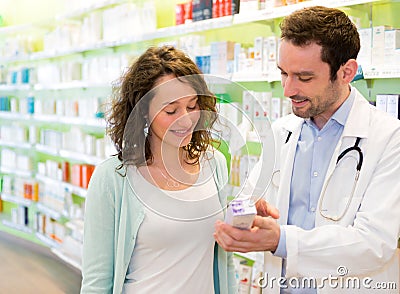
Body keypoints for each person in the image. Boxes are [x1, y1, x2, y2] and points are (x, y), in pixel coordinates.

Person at [214, 6, 400, 293]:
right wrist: (243, 213)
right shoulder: (281, 132)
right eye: (284, 73)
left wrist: (281, 240)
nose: (288, 89)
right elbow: (248, 201)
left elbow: (375, 243)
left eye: (304, 77)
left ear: (346, 72)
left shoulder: (388, 138)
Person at [81, 45, 236, 293]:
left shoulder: (213, 163)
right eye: (171, 110)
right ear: (143, 112)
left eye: (193, 106)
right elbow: (97, 280)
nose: (185, 120)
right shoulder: (113, 178)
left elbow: (225, 262)